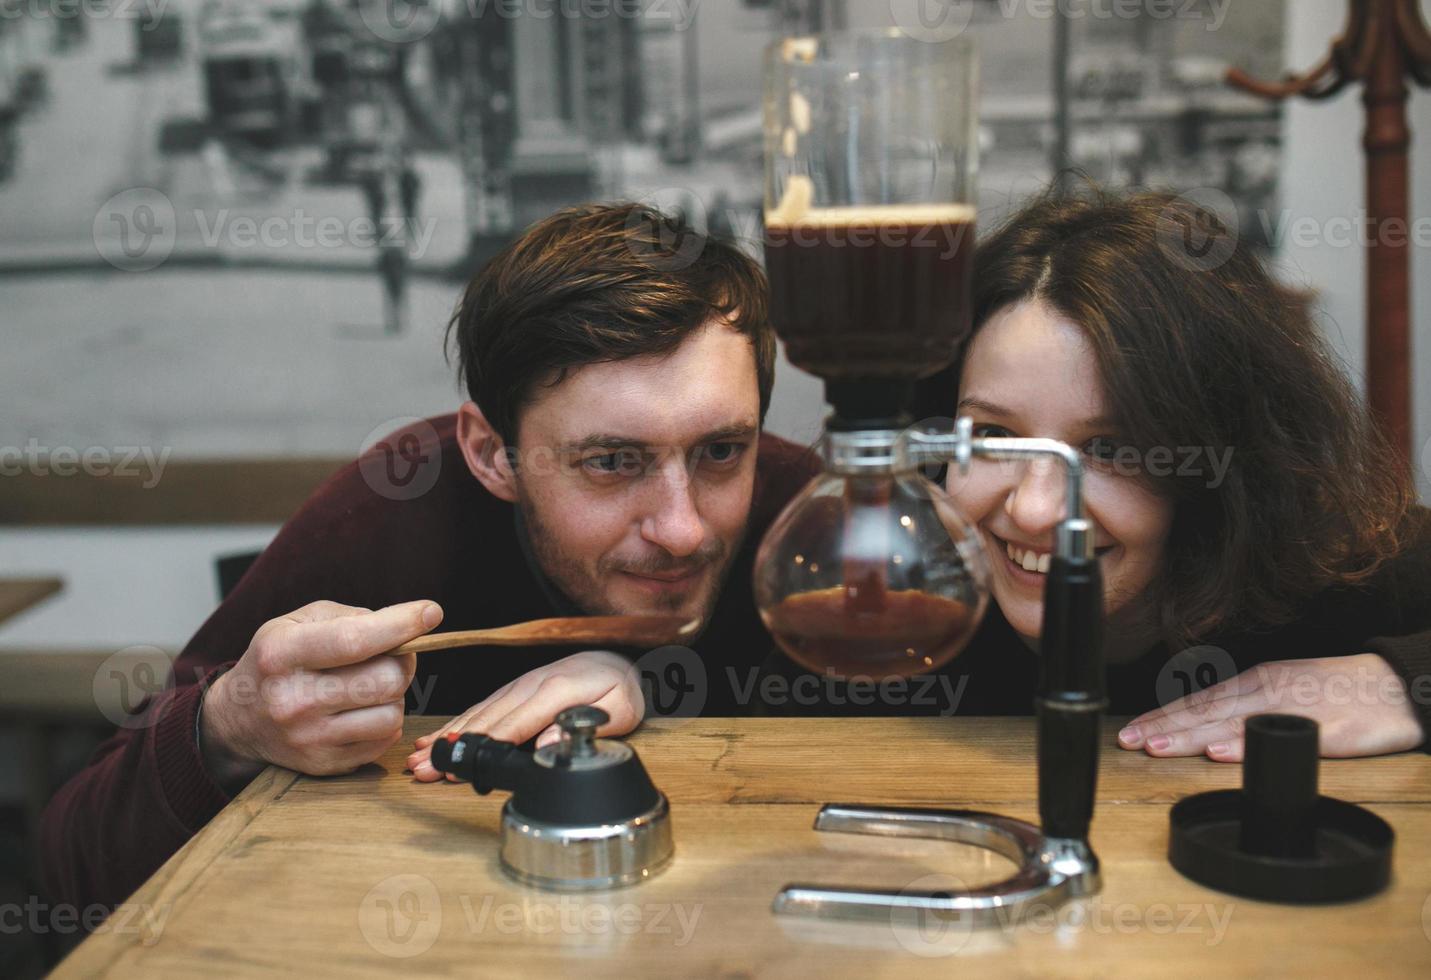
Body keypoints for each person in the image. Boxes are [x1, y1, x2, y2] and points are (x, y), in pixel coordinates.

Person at [41, 204, 819, 911]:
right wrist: (231, 726)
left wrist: (642, 685)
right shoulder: (393, 510)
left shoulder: (819, 520)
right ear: (492, 454)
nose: (683, 531)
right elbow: (73, 869)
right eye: (612, 462)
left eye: (722, 450)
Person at [914, 188, 1429, 760]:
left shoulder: (1345, 565)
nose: (1034, 511)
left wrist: (1401, 681)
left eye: (1109, 448)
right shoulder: (886, 604)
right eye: (993, 437)